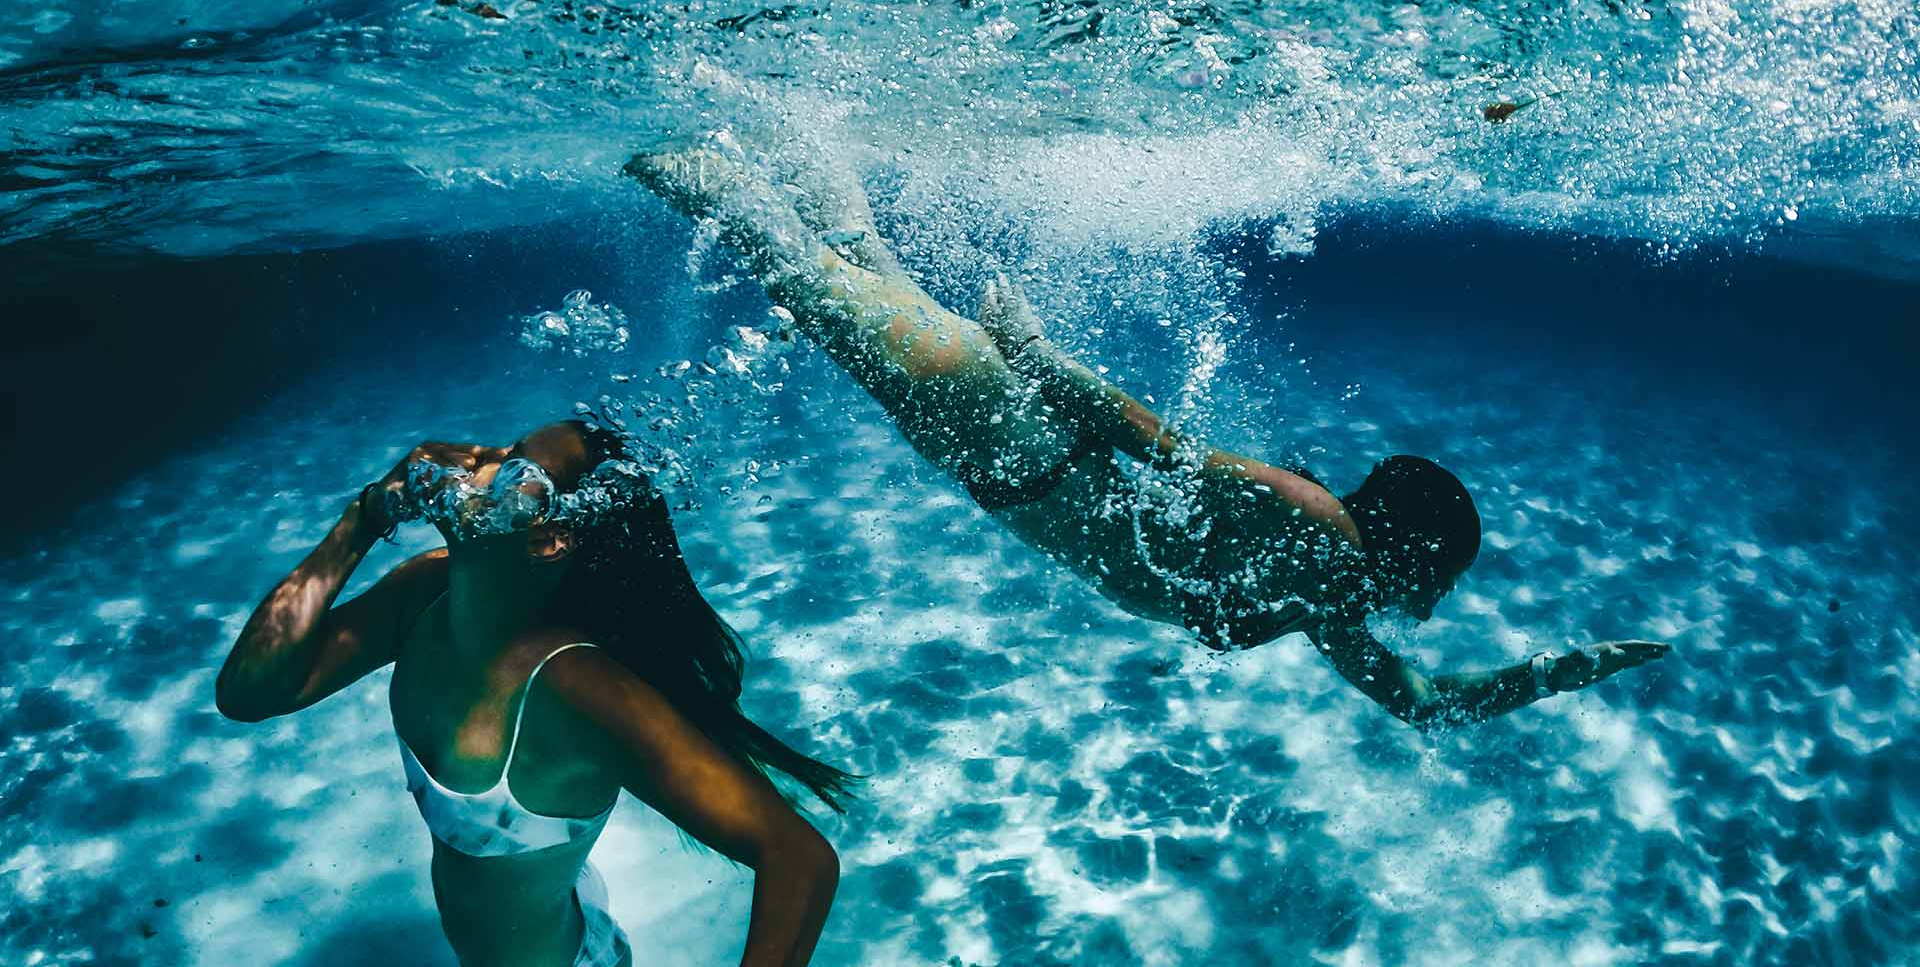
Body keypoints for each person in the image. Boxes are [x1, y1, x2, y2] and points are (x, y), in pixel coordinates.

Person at [629, 143, 1670, 730]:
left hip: (1002, 452)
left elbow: (1427, 706)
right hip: (1010, 428)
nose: (1436, 596)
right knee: (801, 274)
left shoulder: (1328, 596)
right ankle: (669, 127)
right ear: (1407, 541)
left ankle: (795, 122)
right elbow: (1154, 442)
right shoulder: (1319, 534)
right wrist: (1031, 354)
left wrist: (1564, 672)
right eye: (1442, 569)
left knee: (844, 261)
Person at [215, 420, 850, 966]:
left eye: (515, 463)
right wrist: (366, 516)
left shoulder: (577, 688)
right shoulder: (426, 593)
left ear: (549, 538)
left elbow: (798, 858)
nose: (480, 459)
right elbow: (251, 692)